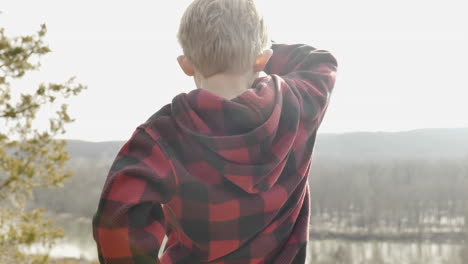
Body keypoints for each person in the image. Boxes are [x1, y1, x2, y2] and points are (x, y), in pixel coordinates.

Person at [92, 0, 338, 263]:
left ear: (185, 64)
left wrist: (208, 46)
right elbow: (318, 61)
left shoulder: (163, 136)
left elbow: (116, 222)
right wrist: (248, 45)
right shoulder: (295, 105)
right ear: (263, 59)